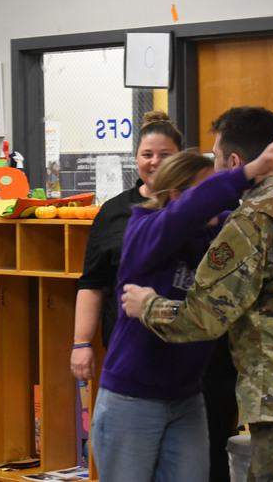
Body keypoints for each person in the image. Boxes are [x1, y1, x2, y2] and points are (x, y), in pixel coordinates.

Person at [122, 106, 273, 482]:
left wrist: (148, 306)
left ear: (234, 160)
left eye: (215, 158)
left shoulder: (250, 224)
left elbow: (203, 318)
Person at [71, 110, 182, 381]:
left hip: (188, 345)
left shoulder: (200, 207)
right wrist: (81, 343)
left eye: (165, 155)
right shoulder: (113, 212)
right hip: (129, 350)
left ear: (180, 158)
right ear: (137, 159)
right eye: (147, 155)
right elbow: (93, 283)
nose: (155, 162)